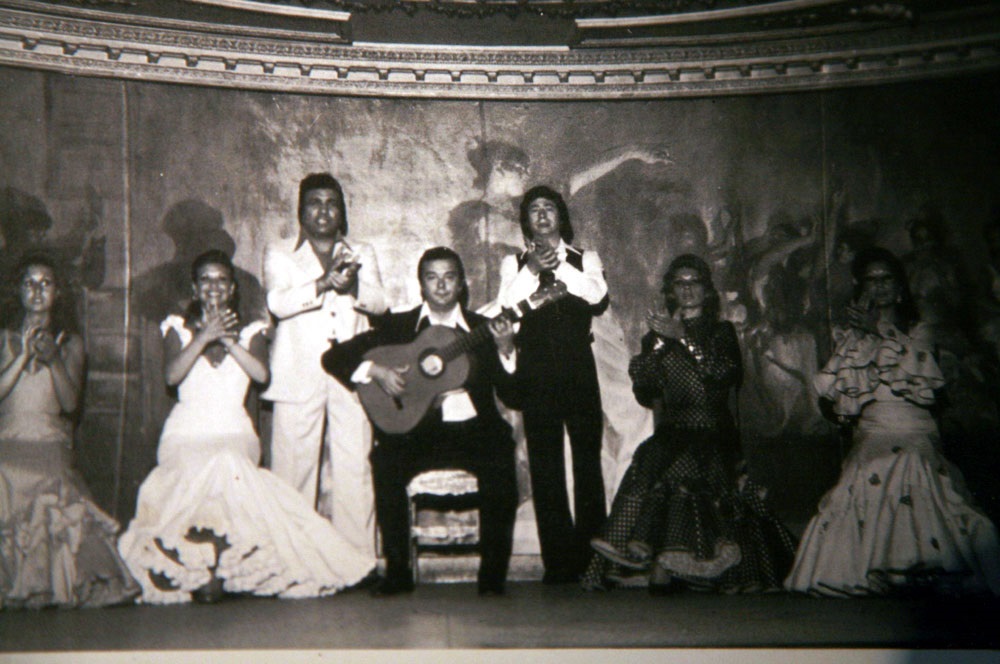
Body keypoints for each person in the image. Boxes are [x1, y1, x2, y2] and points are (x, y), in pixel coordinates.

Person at [118, 250, 373, 604]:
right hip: (186, 432)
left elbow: (261, 375)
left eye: (222, 280)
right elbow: (172, 376)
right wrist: (204, 335)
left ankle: (221, 567)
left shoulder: (252, 331)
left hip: (234, 430)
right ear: (195, 288)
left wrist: (227, 340)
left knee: (228, 465)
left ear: (232, 289)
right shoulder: (176, 327)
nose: (213, 287)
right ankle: (200, 569)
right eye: (206, 280)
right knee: (206, 470)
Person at [785, 247, 1000, 597]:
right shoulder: (851, 338)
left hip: (914, 430)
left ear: (899, 287)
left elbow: (926, 380)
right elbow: (832, 392)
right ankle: (870, 569)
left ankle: (922, 568)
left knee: (907, 462)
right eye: (872, 280)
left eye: (886, 278)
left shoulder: (920, 330)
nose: (880, 286)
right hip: (873, 431)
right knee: (874, 464)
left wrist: (879, 329)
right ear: (861, 287)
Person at [582, 254, 796, 593]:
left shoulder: (722, 332)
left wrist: (684, 337)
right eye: (679, 284)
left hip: (712, 429)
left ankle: (688, 565)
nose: (687, 289)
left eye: (693, 282)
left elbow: (724, 374)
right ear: (671, 291)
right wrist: (655, 349)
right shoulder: (656, 336)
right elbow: (645, 391)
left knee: (685, 468)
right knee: (647, 460)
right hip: (673, 430)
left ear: (707, 291)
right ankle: (637, 555)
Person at [323, 247, 519, 596]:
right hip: (416, 432)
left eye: (449, 277)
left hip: (475, 431)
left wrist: (506, 349)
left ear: (461, 284)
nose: (441, 286)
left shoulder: (482, 328)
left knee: (501, 456)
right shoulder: (398, 327)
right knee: (384, 461)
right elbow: (333, 357)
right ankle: (397, 573)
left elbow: (514, 394)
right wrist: (376, 371)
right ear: (421, 285)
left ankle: (492, 578)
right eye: (432, 277)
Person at [263, 173, 387, 565]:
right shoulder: (280, 251)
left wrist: (352, 289)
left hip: (352, 372)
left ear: (342, 211)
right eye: (314, 202)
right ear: (301, 210)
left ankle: (359, 561)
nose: (323, 211)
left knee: (356, 467)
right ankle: (294, 561)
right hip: (297, 374)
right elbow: (279, 303)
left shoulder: (361, 250)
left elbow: (381, 306)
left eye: (331, 203)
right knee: (293, 469)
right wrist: (322, 283)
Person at [0, 254, 138, 608]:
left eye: (45, 283)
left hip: (50, 447)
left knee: (54, 483)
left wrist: (52, 360)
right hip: (7, 444)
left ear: (57, 293)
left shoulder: (70, 344)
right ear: (18, 291)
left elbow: (69, 404)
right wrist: (21, 357)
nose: (36, 291)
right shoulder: (2, 339)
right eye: (29, 283)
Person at [496, 185, 608, 583]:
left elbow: (596, 296)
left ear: (561, 217)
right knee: (545, 464)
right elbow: (505, 308)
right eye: (534, 210)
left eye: (549, 209)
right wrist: (531, 269)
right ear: (525, 221)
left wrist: (558, 267)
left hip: (578, 367)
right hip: (536, 370)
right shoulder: (514, 262)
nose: (542, 215)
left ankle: (595, 560)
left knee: (587, 462)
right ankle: (559, 564)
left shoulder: (585, 257)